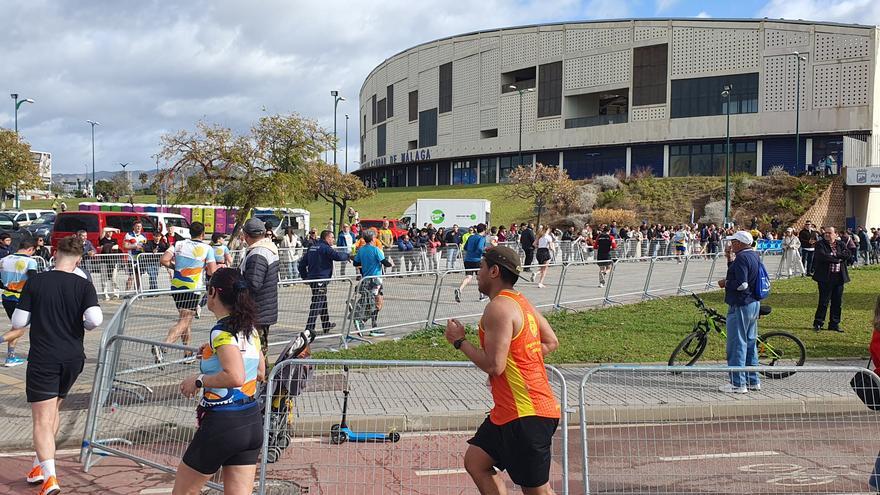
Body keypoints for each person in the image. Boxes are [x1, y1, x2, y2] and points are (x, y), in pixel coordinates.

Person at [444, 245, 560, 494]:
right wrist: (517, 359)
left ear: (494, 271)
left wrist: (459, 341)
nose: (477, 273)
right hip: (508, 412)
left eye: (482, 268)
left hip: (526, 414)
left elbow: (495, 366)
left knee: (537, 491)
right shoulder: (521, 303)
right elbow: (550, 342)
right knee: (476, 461)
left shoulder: (498, 308)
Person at [1, 235, 102, 495]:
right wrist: (79, 323)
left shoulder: (37, 282)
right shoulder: (84, 285)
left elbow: (20, 322)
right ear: (78, 258)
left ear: (55, 254)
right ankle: (38, 465)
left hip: (44, 357)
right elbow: (95, 320)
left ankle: (50, 478)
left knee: (42, 419)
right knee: (54, 410)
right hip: (73, 358)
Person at [173, 267, 265, 495]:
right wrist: (211, 354)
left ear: (213, 292)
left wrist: (198, 380)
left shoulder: (220, 331)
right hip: (251, 421)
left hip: (223, 422)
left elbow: (235, 376)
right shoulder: (250, 329)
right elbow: (260, 372)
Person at [155, 222, 217, 365]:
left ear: (190, 233)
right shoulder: (207, 248)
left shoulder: (178, 244)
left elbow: (164, 260)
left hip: (177, 286)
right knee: (184, 320)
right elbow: (212, 271)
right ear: (203, 234)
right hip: (192, 287)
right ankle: (163, 345)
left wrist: (176, 267)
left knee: (185, 319)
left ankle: (188, 354)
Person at [717, 231, 763, 394]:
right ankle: (753, 380)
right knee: (750, 343)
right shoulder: (753, 255)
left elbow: (742, 283)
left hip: (741, 304)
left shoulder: (743, 257)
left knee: (737, 343)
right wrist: (730, 258)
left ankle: (737, 383)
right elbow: (741, 274)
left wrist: (725, 283)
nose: (731, 244)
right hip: (753, 303)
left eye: (733, 242)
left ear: (739, 243)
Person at [240, 218, 279, 358]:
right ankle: (263, 376)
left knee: (257, 351)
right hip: (264, 307)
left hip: (257, 309)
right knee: (260, 349)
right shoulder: (268, 248)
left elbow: (254, 283)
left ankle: (262, 377)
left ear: (246, 235)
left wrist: (236, 283)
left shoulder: (258, 254)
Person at [298, 230, 351, 335]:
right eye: (332, 237)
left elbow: (302, 264)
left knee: (322, 301)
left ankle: (326, 325)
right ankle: (309, 329)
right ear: (326, 238)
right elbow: (338, 257)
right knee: (317, 303)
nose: (333, 240)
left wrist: (305, 277)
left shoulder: (312, 247)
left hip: (313, 279)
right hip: (321, 279)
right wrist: (348, 256)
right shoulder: (325, 248)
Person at [1, 239, 37, 367]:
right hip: (21, 298)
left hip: (6, 297)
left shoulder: (4, 260)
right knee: (20, 329)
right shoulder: (30, 261)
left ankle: (10, 357)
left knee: (16, 327)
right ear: (30, 249)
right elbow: (33, 280)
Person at [353, 229, 394, 336]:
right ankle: (364, 321)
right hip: (375, 279)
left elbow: (355, 262)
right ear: (372, 238)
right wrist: (391, 265)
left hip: (366, 279)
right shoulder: (375, 250)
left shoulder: (361, 250)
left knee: (372, 302)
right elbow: (384, 262)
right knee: (378, 303)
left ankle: (369, 324)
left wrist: (364, 266)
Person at [812, 226, 850, 333]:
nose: (827, 235)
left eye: (830, 233)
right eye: (826, 233)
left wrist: (836, 255)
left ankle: (834, 323)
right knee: (823, 301)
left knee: (837, 302)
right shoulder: (820, 244)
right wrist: (837, 259)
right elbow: (822, 256)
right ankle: (818, 322)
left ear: (835, 234)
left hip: (839, 278)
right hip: (825, 278)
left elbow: (848, 254)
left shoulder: (840, 244)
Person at [455, 223, 488, 303]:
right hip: (477, 260)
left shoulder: (471, 237)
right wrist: (484, 253)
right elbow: (480, 248)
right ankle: (481, 296)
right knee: (480, 277)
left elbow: (465, 247)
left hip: (467, 259)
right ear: (484, 230)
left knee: (468, 277)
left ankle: (460, 289)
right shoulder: (482, 238)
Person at [123, 221, 147, 292]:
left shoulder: (143, 236)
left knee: (138, 276)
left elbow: (145, 247)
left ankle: (137, 292)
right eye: (137, 226)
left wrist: (143, 249)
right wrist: (135, 246)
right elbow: (125, 246)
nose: (138, 228)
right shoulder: (128, 234)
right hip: (131, 259)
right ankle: (127, 292)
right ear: (133, 227)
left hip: (140, 259)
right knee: (131, 276)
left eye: (140, 226)